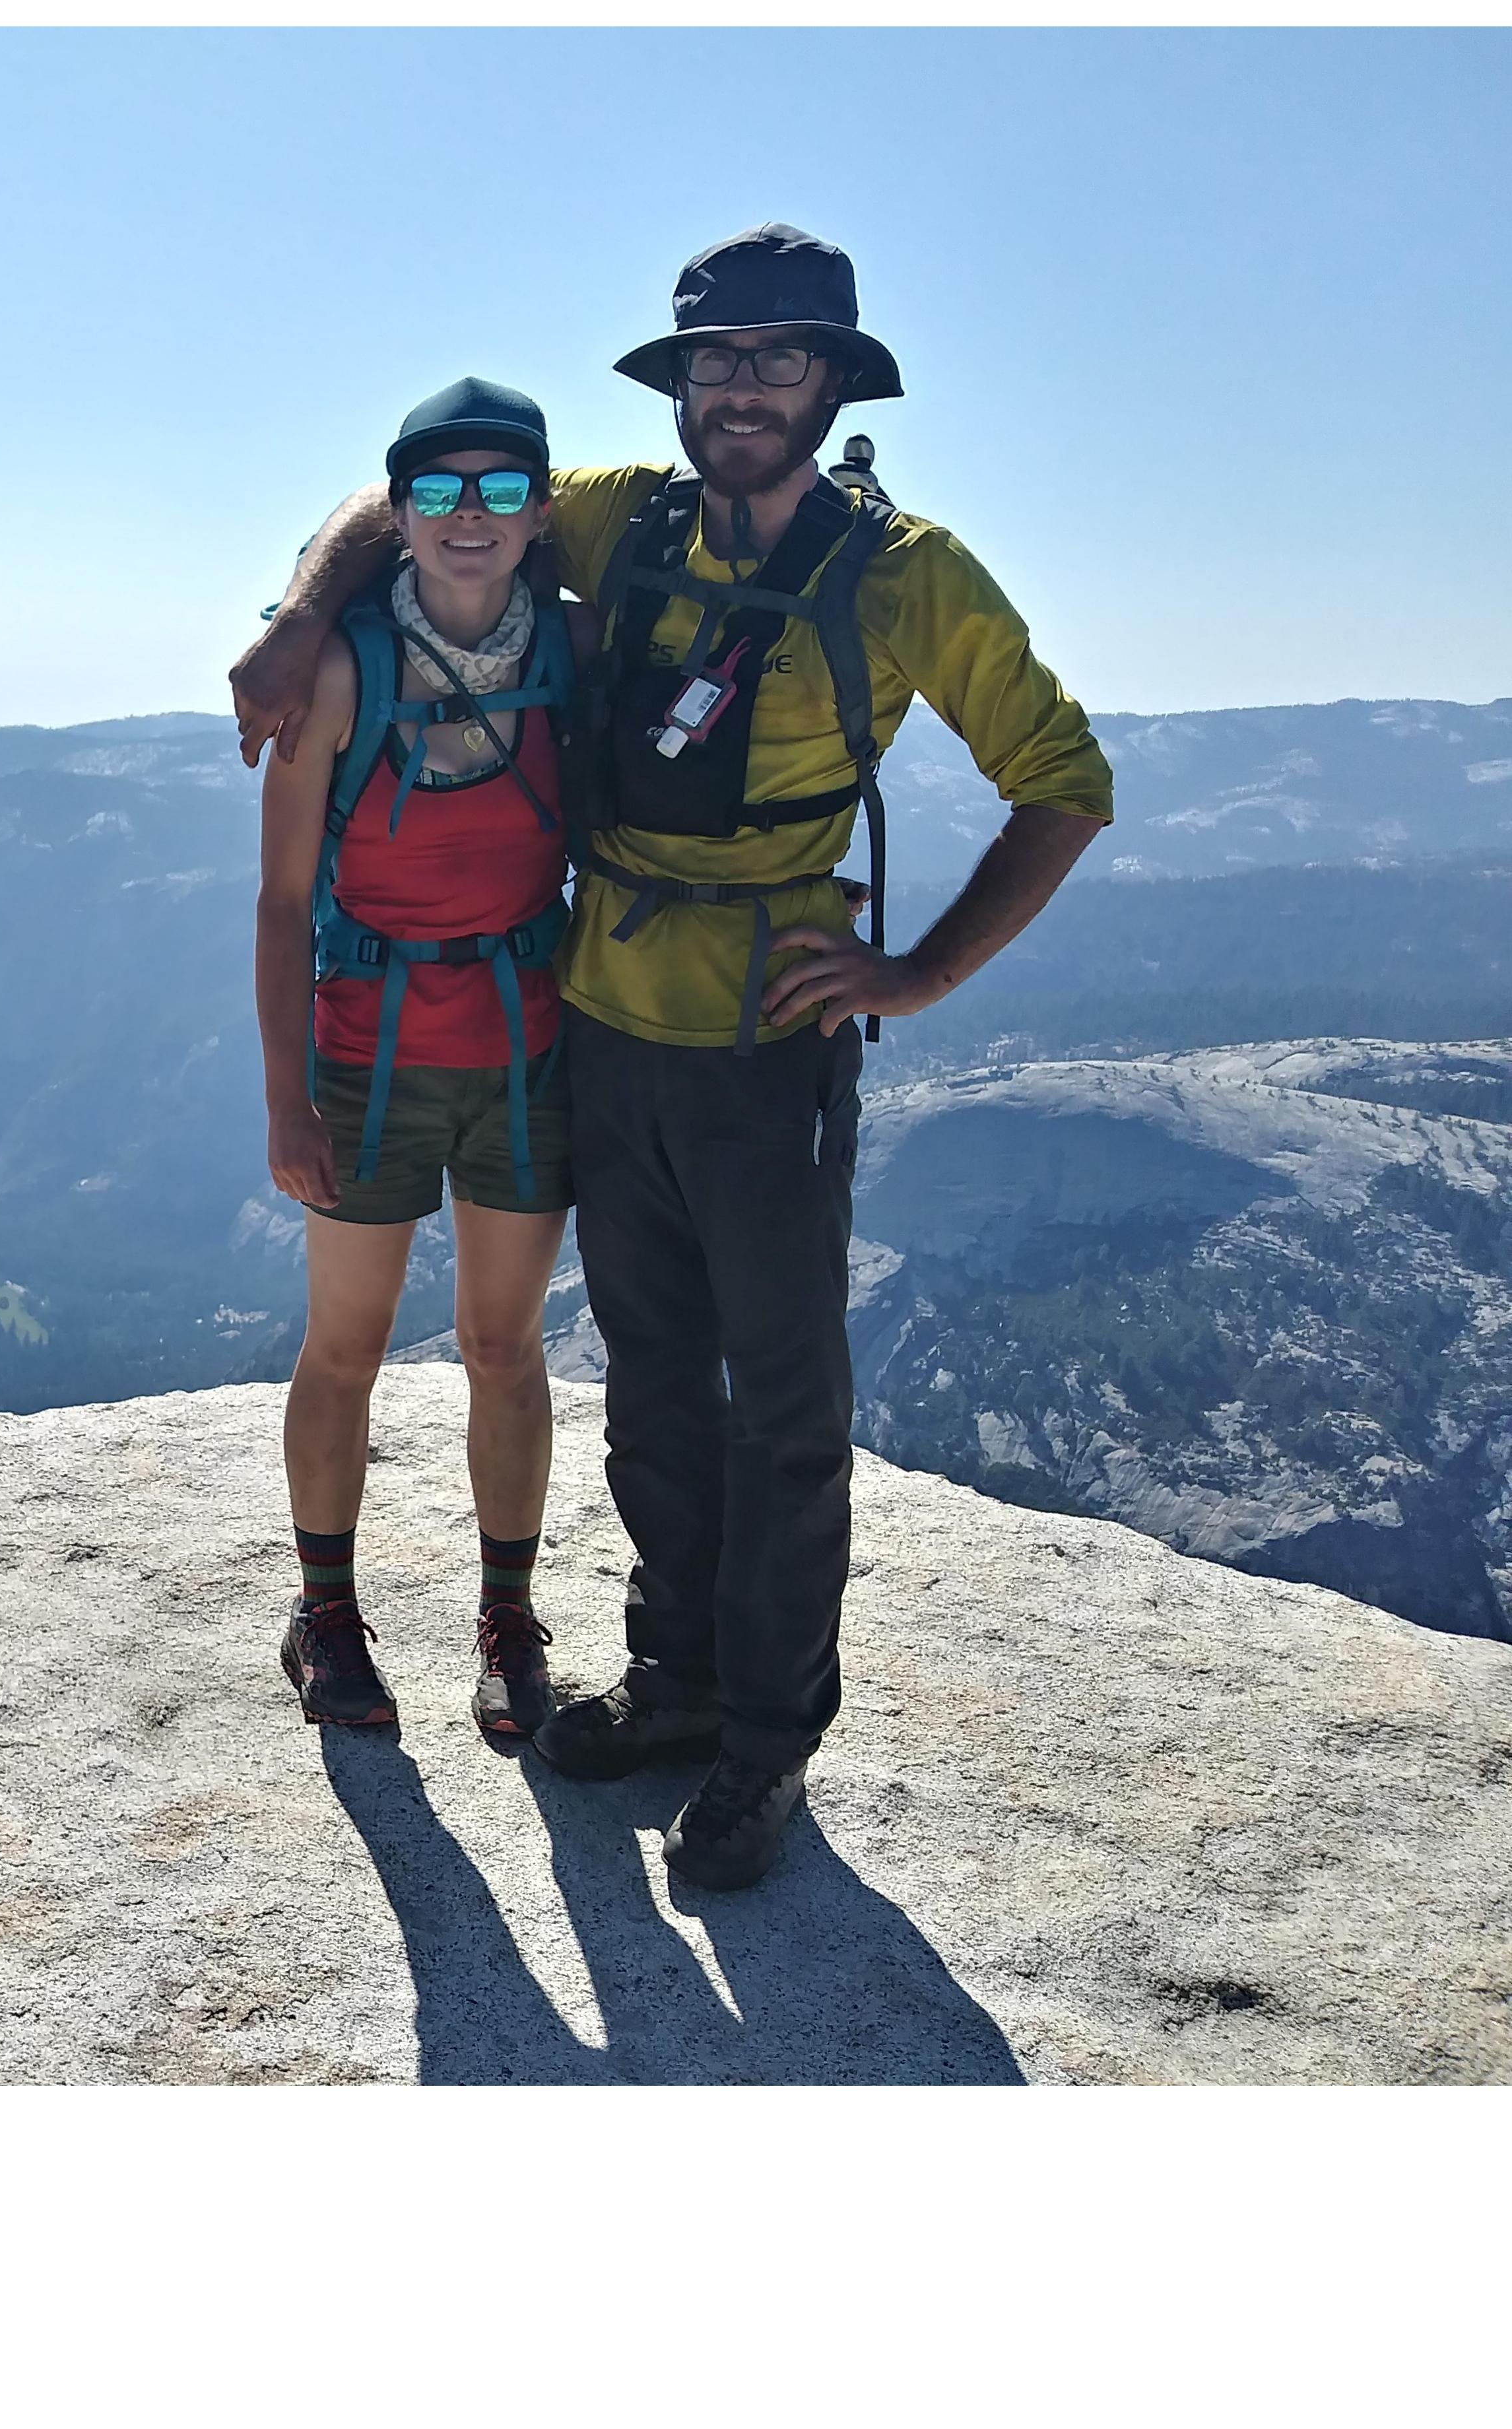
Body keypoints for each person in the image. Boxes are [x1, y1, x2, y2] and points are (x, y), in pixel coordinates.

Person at [234, 226, 1113, 1888]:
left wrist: (917, 970)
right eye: (717, 361)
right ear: (682, 383)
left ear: (838, 381)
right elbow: (419, 493)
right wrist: (298, 620)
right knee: (646, 1372)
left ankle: (767, 1745)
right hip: (599, 1017)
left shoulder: (909, 571)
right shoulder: (629, 511)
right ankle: (675, 1680)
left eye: (781, 361)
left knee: (779, 1396)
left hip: (767, 1037)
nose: (744, 389)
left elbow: (1062, 774)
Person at [257, 376, 585, 1741]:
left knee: (506, 1344)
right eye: (437, 489)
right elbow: (281, 900)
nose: (468, 515)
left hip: (524, 1047)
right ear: (395, 514)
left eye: (499, 489)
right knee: (348, 1344)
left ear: (539, 510)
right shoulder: (339, 672)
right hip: (370, 1053)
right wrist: (285, 1103)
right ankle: (324, 1611)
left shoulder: (575, 652)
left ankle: (507, 1618)